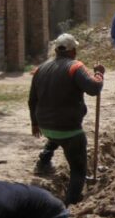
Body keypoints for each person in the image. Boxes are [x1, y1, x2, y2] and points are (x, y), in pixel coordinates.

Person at [28, 33, 105, 205]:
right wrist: (99, 73)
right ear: (73, 51)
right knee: (78, 169)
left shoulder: (41, 68)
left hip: (46, 127)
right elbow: (94, 88)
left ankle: (44, 160)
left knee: (57, 136)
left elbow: (32, 100)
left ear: (56, 50)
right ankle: (70, 204)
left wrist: (34, 123)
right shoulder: (75, 67)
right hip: (68, 129)